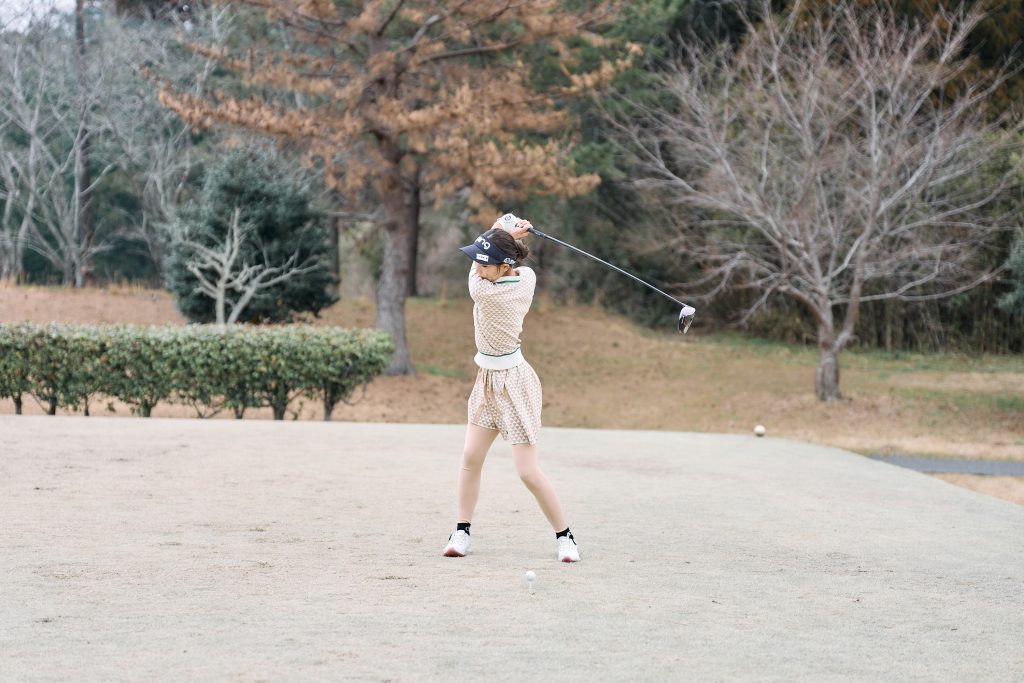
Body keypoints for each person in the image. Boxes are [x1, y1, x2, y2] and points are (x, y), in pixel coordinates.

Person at [442, 215, 580, 563]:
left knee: (527, 472)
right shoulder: (526, 278)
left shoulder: (485, 293)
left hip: (515, 385)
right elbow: (505, 260)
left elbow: (476, 277)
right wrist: (502, 235)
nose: (478, 267)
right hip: (487, 381)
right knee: (470, 458)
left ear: (504, 266)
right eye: (477, 261)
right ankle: (461, 531)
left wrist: (501, 228)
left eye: (484, 263)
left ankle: (565, 537)